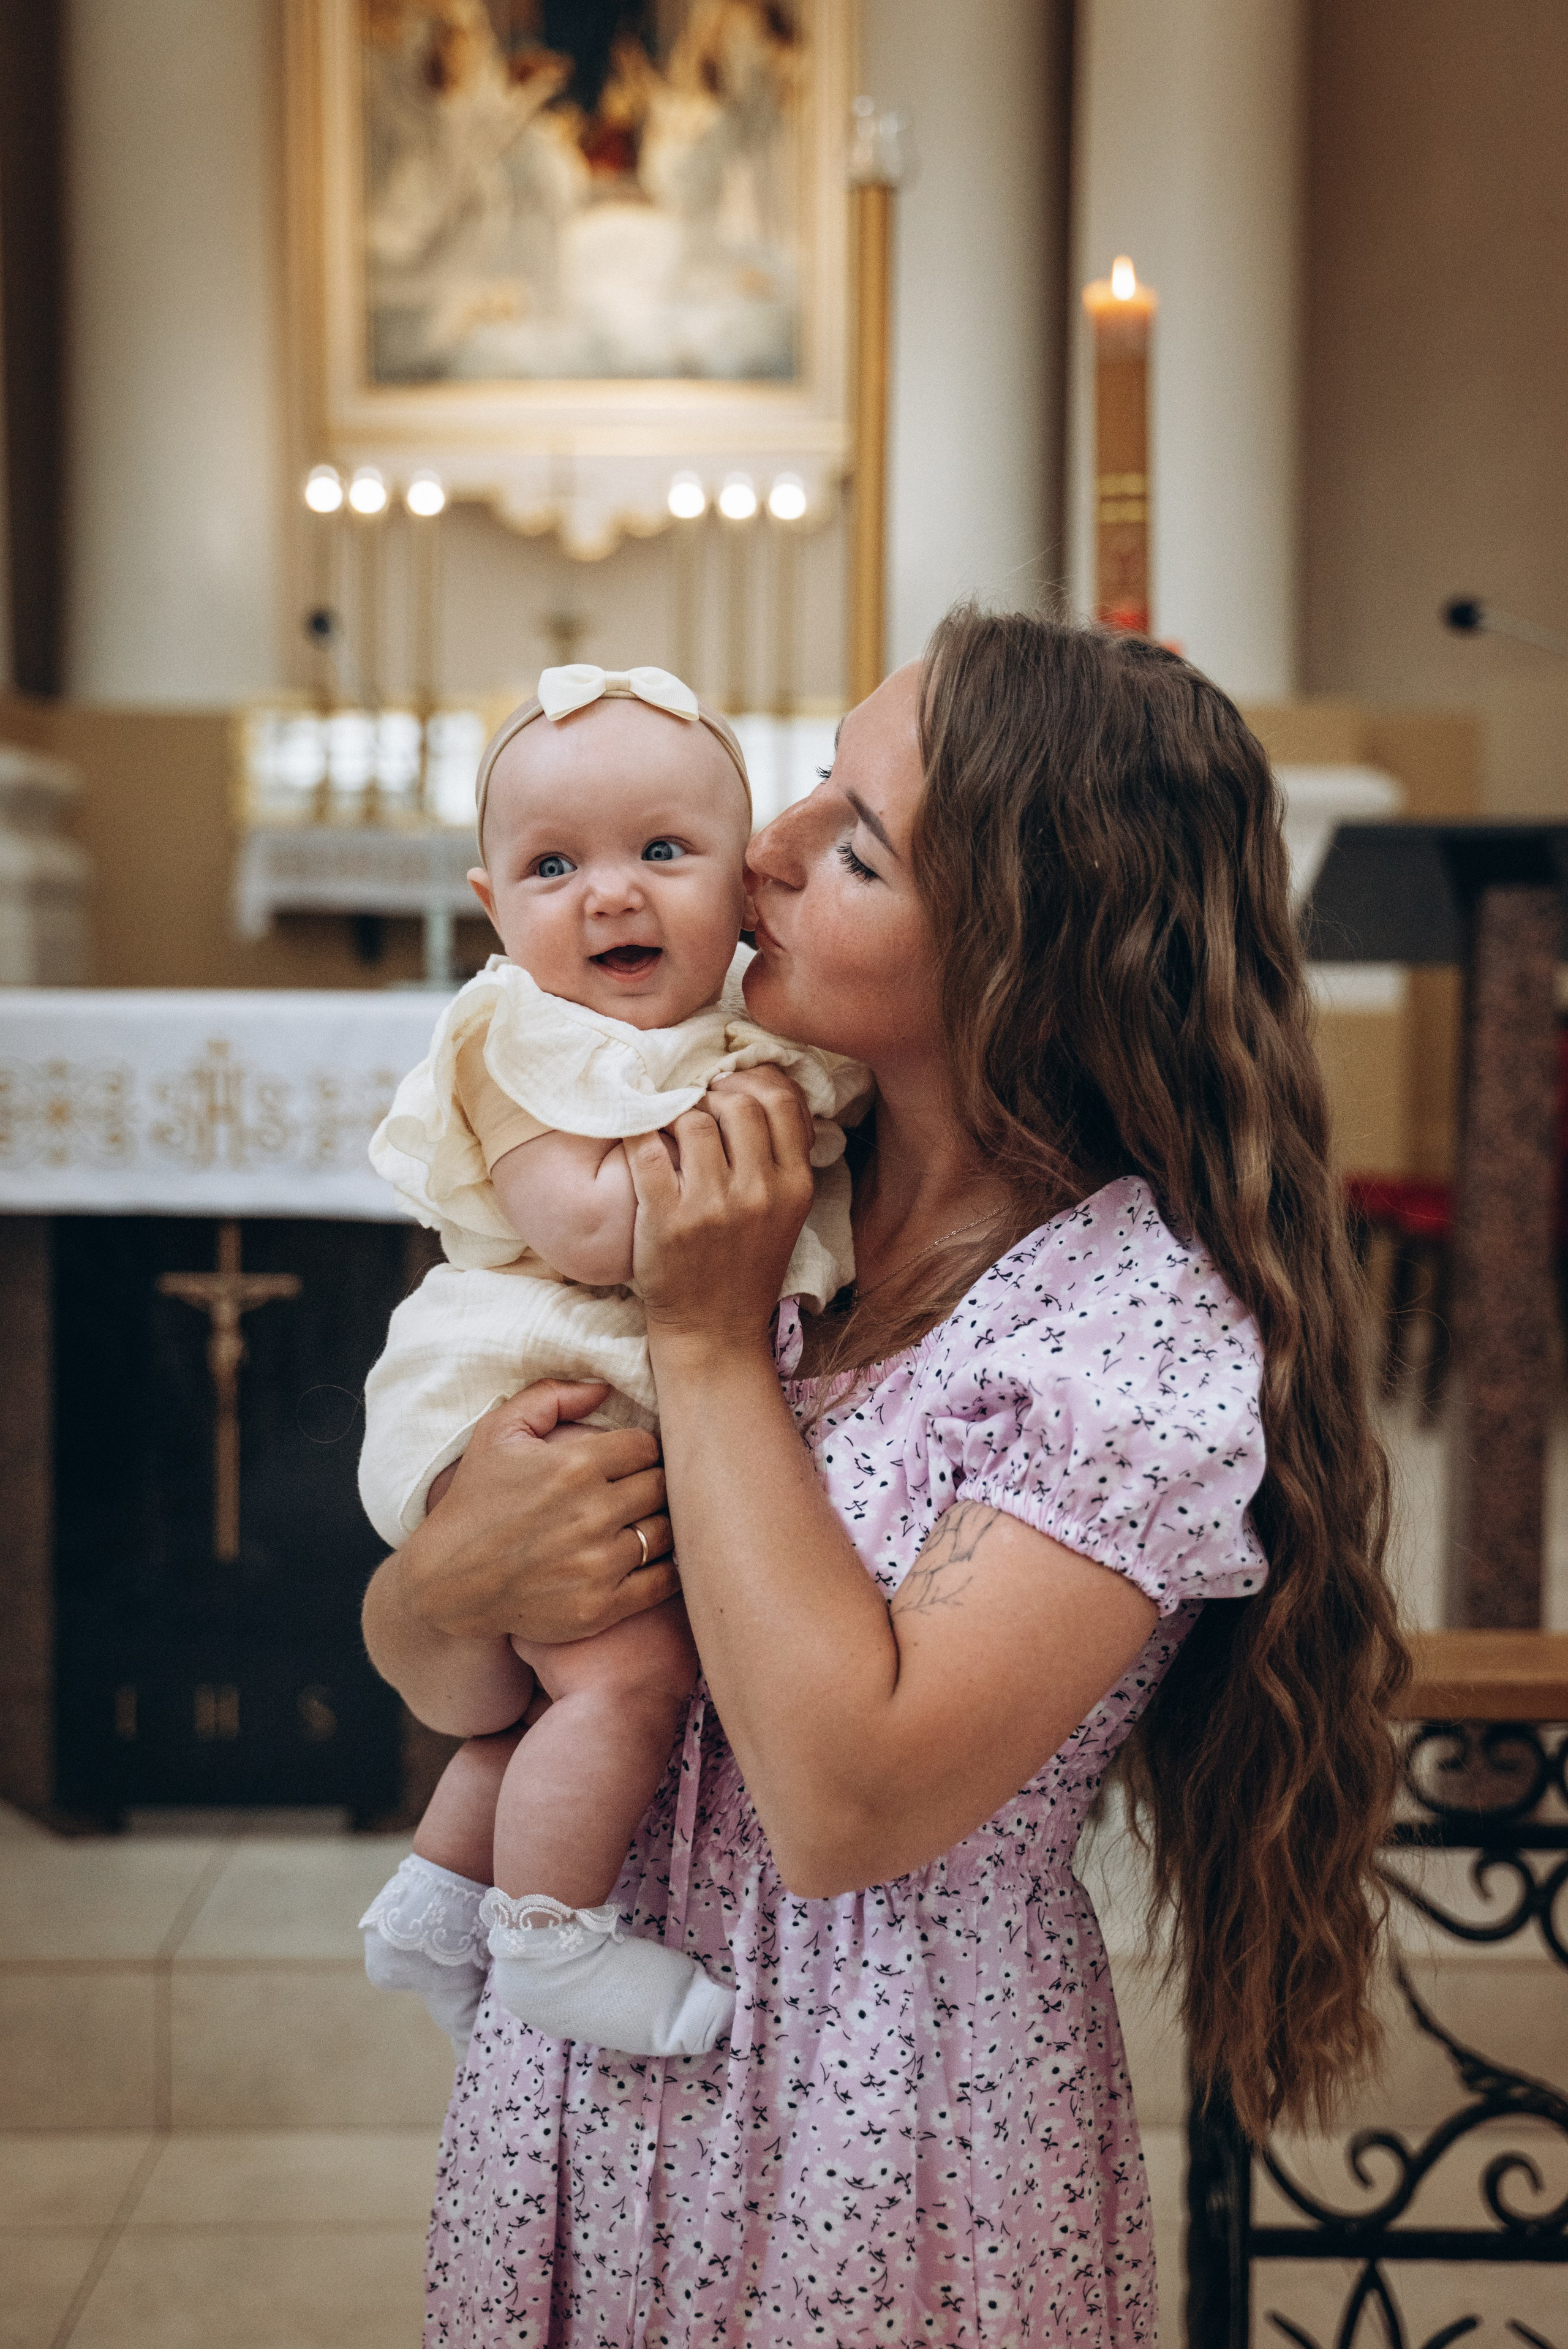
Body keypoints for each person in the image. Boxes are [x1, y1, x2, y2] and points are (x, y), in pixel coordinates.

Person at [363, 610, 1407, 2346]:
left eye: (849, 837)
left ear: (1019, 951)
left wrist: (703, 1344)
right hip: (588, 2059)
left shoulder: (1128, 1322)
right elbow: (454, 1665)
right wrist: (441, 1587)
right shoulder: (734, 1167)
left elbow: (847, 1806)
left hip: (885, 2100)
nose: (761, 847)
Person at [358, 663, 867, 2063]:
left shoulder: (747, 1041)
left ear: (742, 882)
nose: (611, 894)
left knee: (548, 1693)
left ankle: (434, 1897)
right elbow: (586, 1231)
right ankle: (549, 1935)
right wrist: (738, 1138)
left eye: (662, 850)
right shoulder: (509, 1036)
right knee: (624, 1679)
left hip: (616, 1395)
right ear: (492, 909)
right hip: (524, 1390)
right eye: (552, 864)